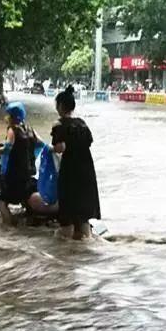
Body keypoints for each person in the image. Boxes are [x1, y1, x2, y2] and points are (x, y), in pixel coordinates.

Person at [0, 101, 55, 225]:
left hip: (12, 175)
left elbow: (7, 148)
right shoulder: (30, 129)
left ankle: (8, 228)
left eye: (8, 115)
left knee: (2, 201)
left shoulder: (12, 130)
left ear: (12, 117)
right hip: (28, 175)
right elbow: (42, 144)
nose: (6, 118)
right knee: (23, 196)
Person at [51, 86, 101, 239]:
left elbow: (60, 148)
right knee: (83, 220)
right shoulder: (82, 124)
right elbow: (88, 142)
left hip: (70, 172)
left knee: (67, 223)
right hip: (87, 172)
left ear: (60, 106)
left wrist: (50, 149)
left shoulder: (59, 124)